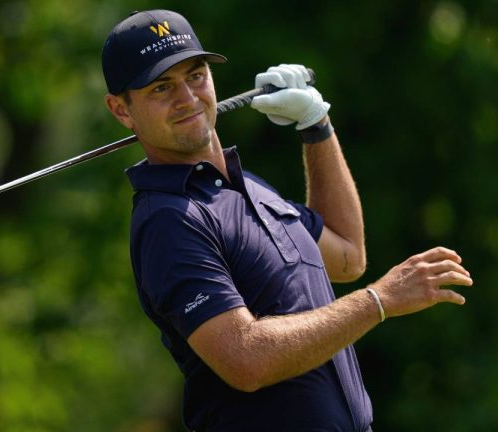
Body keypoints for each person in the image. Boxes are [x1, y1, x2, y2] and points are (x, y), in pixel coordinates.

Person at [101, 9, 473, 432]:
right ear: (121, 110)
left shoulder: (247, 189)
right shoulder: (169, 220)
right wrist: (379, 301)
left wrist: (316, 126)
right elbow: (245, 360)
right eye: (162, 87)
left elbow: (348, 256)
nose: (187, 98)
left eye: (196, 76)